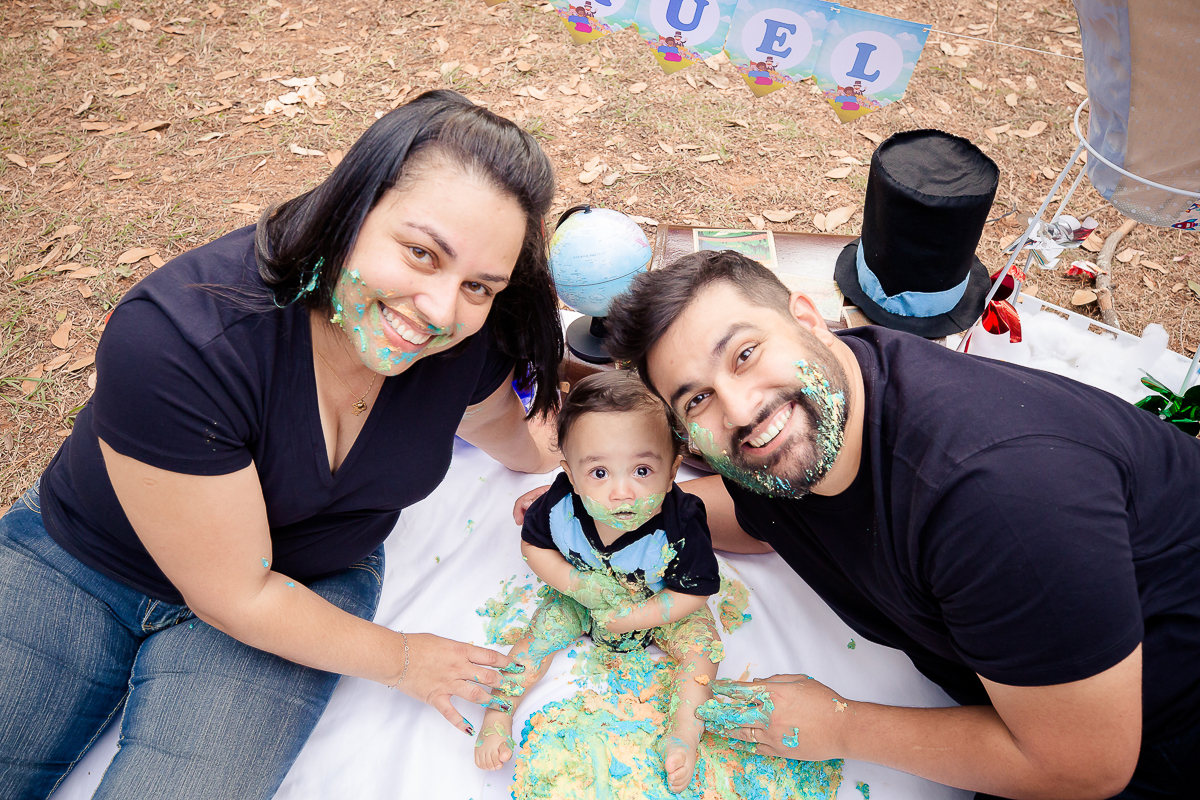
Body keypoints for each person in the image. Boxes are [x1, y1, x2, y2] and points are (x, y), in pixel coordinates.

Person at [0, 90, 564, 799]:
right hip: (82, 559)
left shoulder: (465, 343)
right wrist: (404, 660)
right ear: (352, 206)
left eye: (479, 285)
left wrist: (587, 462)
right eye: (421, 254)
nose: (440, 310)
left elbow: (509, 431)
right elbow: (233, 593)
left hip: (308, 584)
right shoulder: (176, 341)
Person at [596, 249, 1200, 800]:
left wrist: (839, 726)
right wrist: (633, 513)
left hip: (1155, 731)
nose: (740, 409)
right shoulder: (810, 416)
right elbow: (761, 517)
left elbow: (1084, 766)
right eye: (697, 399)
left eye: (745, 354)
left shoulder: (995, 501)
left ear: (808, 318)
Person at [477, 371, 722, 793]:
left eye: (642, 470)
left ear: (672, 472)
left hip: (661, 604)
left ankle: (685, 731)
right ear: (571, 475)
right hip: (582, 599)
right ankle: (499, 711)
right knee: (537, 638)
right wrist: (575, 584)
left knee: (704, 650)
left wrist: (640, 616)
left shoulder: (682, 523)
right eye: (599, 473)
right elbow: (533, 547)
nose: (621, 492)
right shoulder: (559, 505)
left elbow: (693, 592)